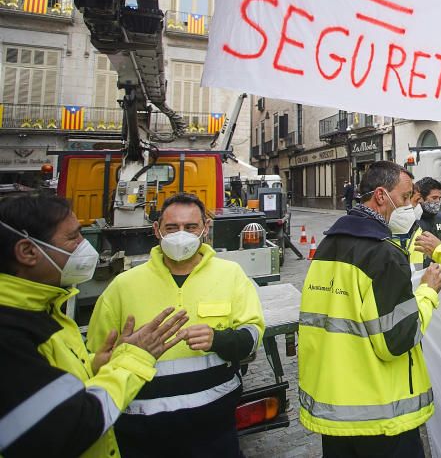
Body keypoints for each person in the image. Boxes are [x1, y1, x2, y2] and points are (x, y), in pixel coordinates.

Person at [0, 195, 188, 458]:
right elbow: (72, 426)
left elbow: (50, 388)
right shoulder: (10, 334)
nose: (85, 246)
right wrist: (133, 359)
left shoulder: (43, 311)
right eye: (73, 237)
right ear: (28, 252)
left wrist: (92, 367)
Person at [87, 192, 264, 457]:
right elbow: (94, 358)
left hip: (214, 430)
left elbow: (252, 332)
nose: (181, 234)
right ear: (157, 230)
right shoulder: (124, 286)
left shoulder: (230, 275)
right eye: (172, 227)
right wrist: (118, 355)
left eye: (190, 227)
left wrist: (218, 340)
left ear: (205, 228)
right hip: (140, 432)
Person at [299, 161, 441, 457]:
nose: (409, 207)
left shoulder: (329, 243)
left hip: (336, 409)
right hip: (381, 414)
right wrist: (429, 292)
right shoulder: (383, 253)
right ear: (381, 195)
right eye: (405, 198)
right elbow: (398, 338)